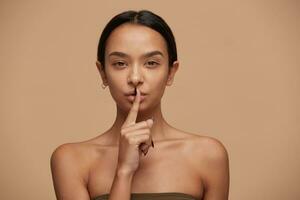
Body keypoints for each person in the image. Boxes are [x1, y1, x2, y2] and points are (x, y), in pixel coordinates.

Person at [50, 10, 230, 200]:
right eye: (120, 63)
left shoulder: (208, 156)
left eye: (151, 63)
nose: (135, 78)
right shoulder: (70, 160)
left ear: (171, 72)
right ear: (103, 72)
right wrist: (124, 171)